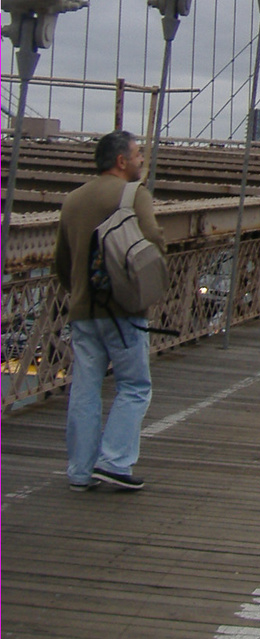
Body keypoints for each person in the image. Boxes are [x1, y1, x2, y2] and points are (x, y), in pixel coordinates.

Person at [53, 130, 165, 492]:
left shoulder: (72, 200)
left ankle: (80, 471)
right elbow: (151, 242)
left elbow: (62, 262)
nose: (140, 161)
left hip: (84, 309)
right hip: (122, 309)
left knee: (85, 389)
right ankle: (114, 461)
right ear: (121, 161)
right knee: (134, 386)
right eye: (137, 155)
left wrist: (81, 292)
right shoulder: (134, 195)